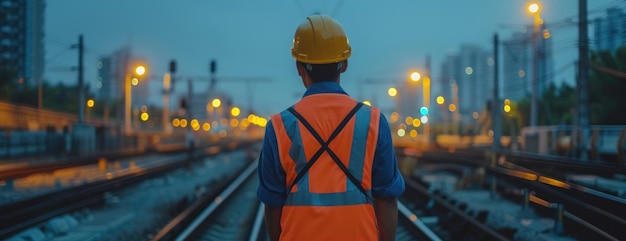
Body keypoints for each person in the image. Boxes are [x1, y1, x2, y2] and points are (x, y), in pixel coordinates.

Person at [256, 14, 405, 241]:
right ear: (344, 65)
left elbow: (272, 202)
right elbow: (387, 199)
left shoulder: (278, 126)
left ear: (299, 68)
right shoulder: (373, 121)